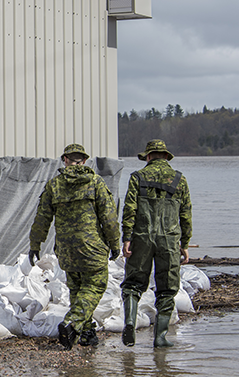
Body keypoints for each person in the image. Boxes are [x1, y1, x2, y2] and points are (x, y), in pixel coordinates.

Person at [28, 143, 120, 349]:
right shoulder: (95, 182)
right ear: (85, 161)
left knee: (77, 289)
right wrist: (115, 243)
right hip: (92, 247)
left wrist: (35, 245)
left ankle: (86, 334)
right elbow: (109, 217)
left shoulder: (54, 185)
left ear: (65, 160)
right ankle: (72, 323)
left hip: (66, 250)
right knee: (95, 285)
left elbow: (42, 219)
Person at [120, 139, 192, 348]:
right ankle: (160, 338)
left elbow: (129, 210)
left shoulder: (137, 177)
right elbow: (186, 214)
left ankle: (131, 322)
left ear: (149, 156)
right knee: (167, 289)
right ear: (166, 156)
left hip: (141, 238)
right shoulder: (180, 179)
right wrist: (185, 243)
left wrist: (126, 238)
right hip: (169, 241)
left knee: (133, 284)